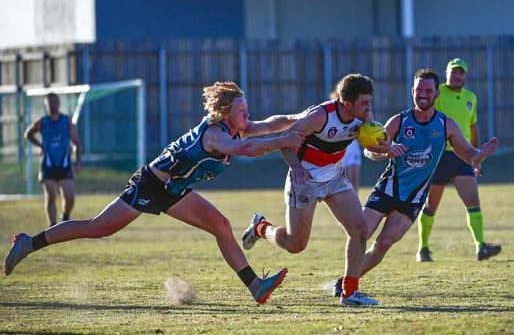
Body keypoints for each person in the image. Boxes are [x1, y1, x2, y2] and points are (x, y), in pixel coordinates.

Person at [4, 81, 304, 304]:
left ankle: (256, 287)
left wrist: (304, 121)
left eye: (247, 109)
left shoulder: (236, 127)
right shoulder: (216, 134)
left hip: (173, 188)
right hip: (150, 183)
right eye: (242, 111)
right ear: (225, 113)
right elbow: (246, 149)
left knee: (221, 225)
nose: (248, 116)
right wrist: (285, 141)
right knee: (98, 228)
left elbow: (271, 124)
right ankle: (30, 242)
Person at [332, 68, 499, 296]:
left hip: (413, 199)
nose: (423, 94)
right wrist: (386, 152)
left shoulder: (446, 125)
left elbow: (469, 154)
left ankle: (346, 282)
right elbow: (371, 151)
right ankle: (348, 284)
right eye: (419, 89)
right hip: (386, 191)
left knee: (384, 243)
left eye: (428, 90)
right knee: (360, 234)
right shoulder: (399, 121)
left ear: (436, 94)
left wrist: (482, 153)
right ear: (412, 91)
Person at [241, 74, 388, 306]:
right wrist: (297, 167)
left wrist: (388, 149)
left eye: (370, 101)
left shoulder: (364, 117)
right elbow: (284, 141)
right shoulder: (321, 116)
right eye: (364, 103)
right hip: (305, 178)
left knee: (360, 230)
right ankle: (261, 227)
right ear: (347, 103)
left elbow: (371, 150)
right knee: (295, 244)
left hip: (335, 176)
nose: (369, 108)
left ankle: (349, 294)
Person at [416, 58, 501, 262]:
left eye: (460, 72)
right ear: (446, 74)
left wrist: (476, 157)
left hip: (462, 156)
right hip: (438, 156)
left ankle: (480, 246)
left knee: (473, 203)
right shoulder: (436, 93)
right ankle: (423, 248)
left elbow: (473, 127)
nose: (457, 76)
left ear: (465, 75)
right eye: (453, 72)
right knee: (431, 205)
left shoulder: (471, 97)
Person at [25, 93, 81, 227]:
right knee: (51, 197)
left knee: (70, 198)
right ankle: (52, 225)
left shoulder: (66, 121)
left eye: (55, 102)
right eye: (49, 102)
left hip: (64, 164)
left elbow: (76, 142)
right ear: (46, 104)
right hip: (48, 165)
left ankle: (65, 216)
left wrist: (77, 161)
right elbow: (28, 134)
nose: (52, 105)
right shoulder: (42, 122)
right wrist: (40, 145)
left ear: (59, 103)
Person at [330, 89, 362, 192]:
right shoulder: (334, 113)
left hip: (353, 146)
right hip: (342, 148)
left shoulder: (355, 111)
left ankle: (355, 200)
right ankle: (347, 200)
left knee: (355, 176)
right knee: (346, 177)